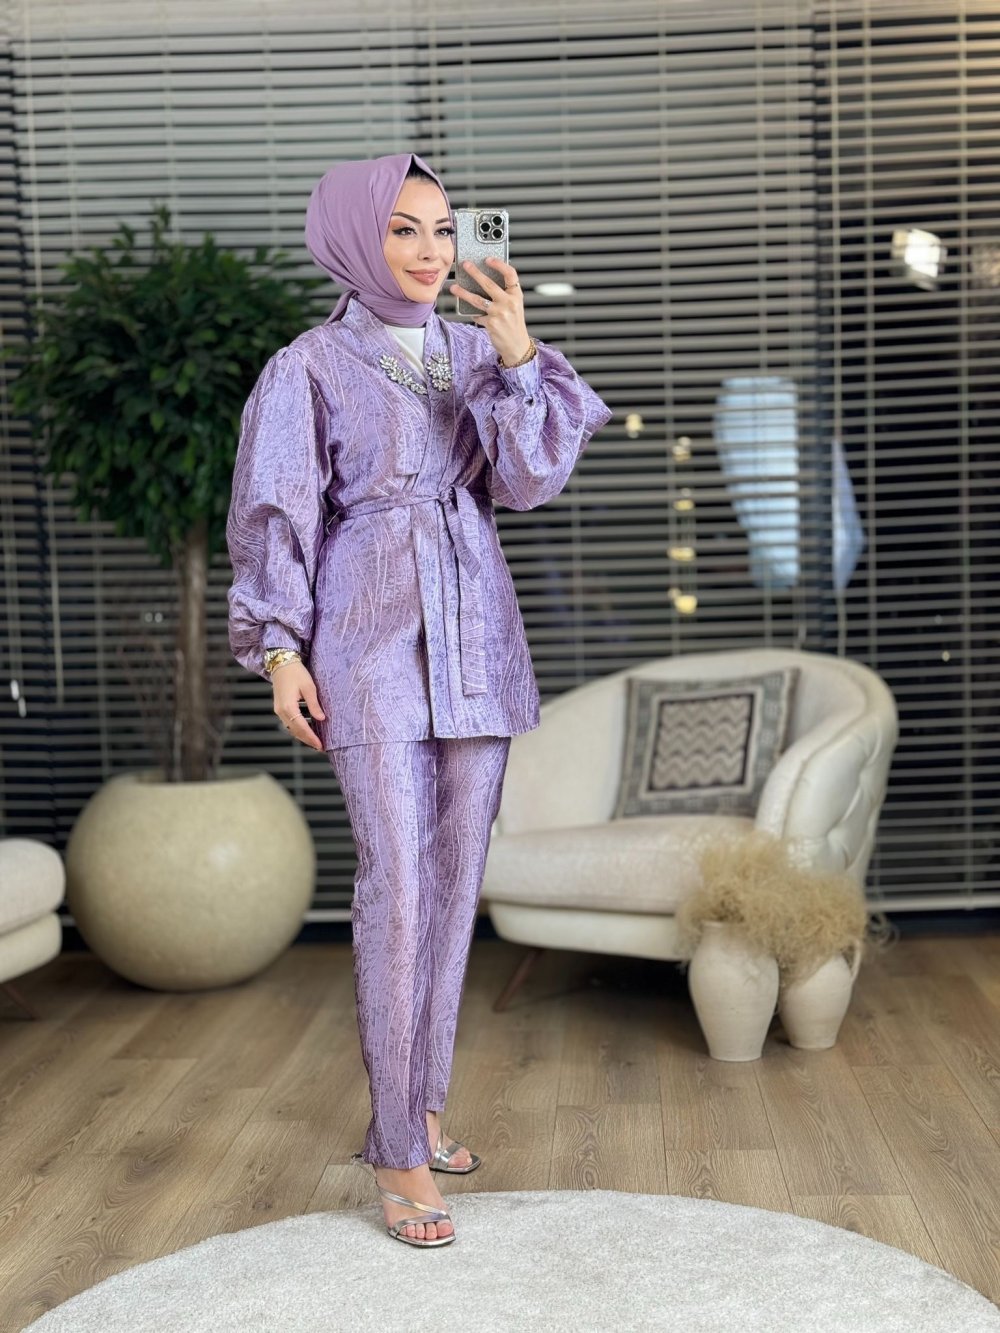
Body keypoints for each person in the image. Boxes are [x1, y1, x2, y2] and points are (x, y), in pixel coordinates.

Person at [226, 151, 612, 1248]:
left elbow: (528, 483)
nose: (431, 251)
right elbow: (275, 511)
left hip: (477, 633)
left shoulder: (476, 352)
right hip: (365, 640)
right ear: (356, 237)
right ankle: (395, 1146)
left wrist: (518, 352)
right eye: (404, 228)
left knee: (450, 889)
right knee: (396, 885)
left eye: (444, 229)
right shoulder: (306, 366)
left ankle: (424, 1109)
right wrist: (279, 651)